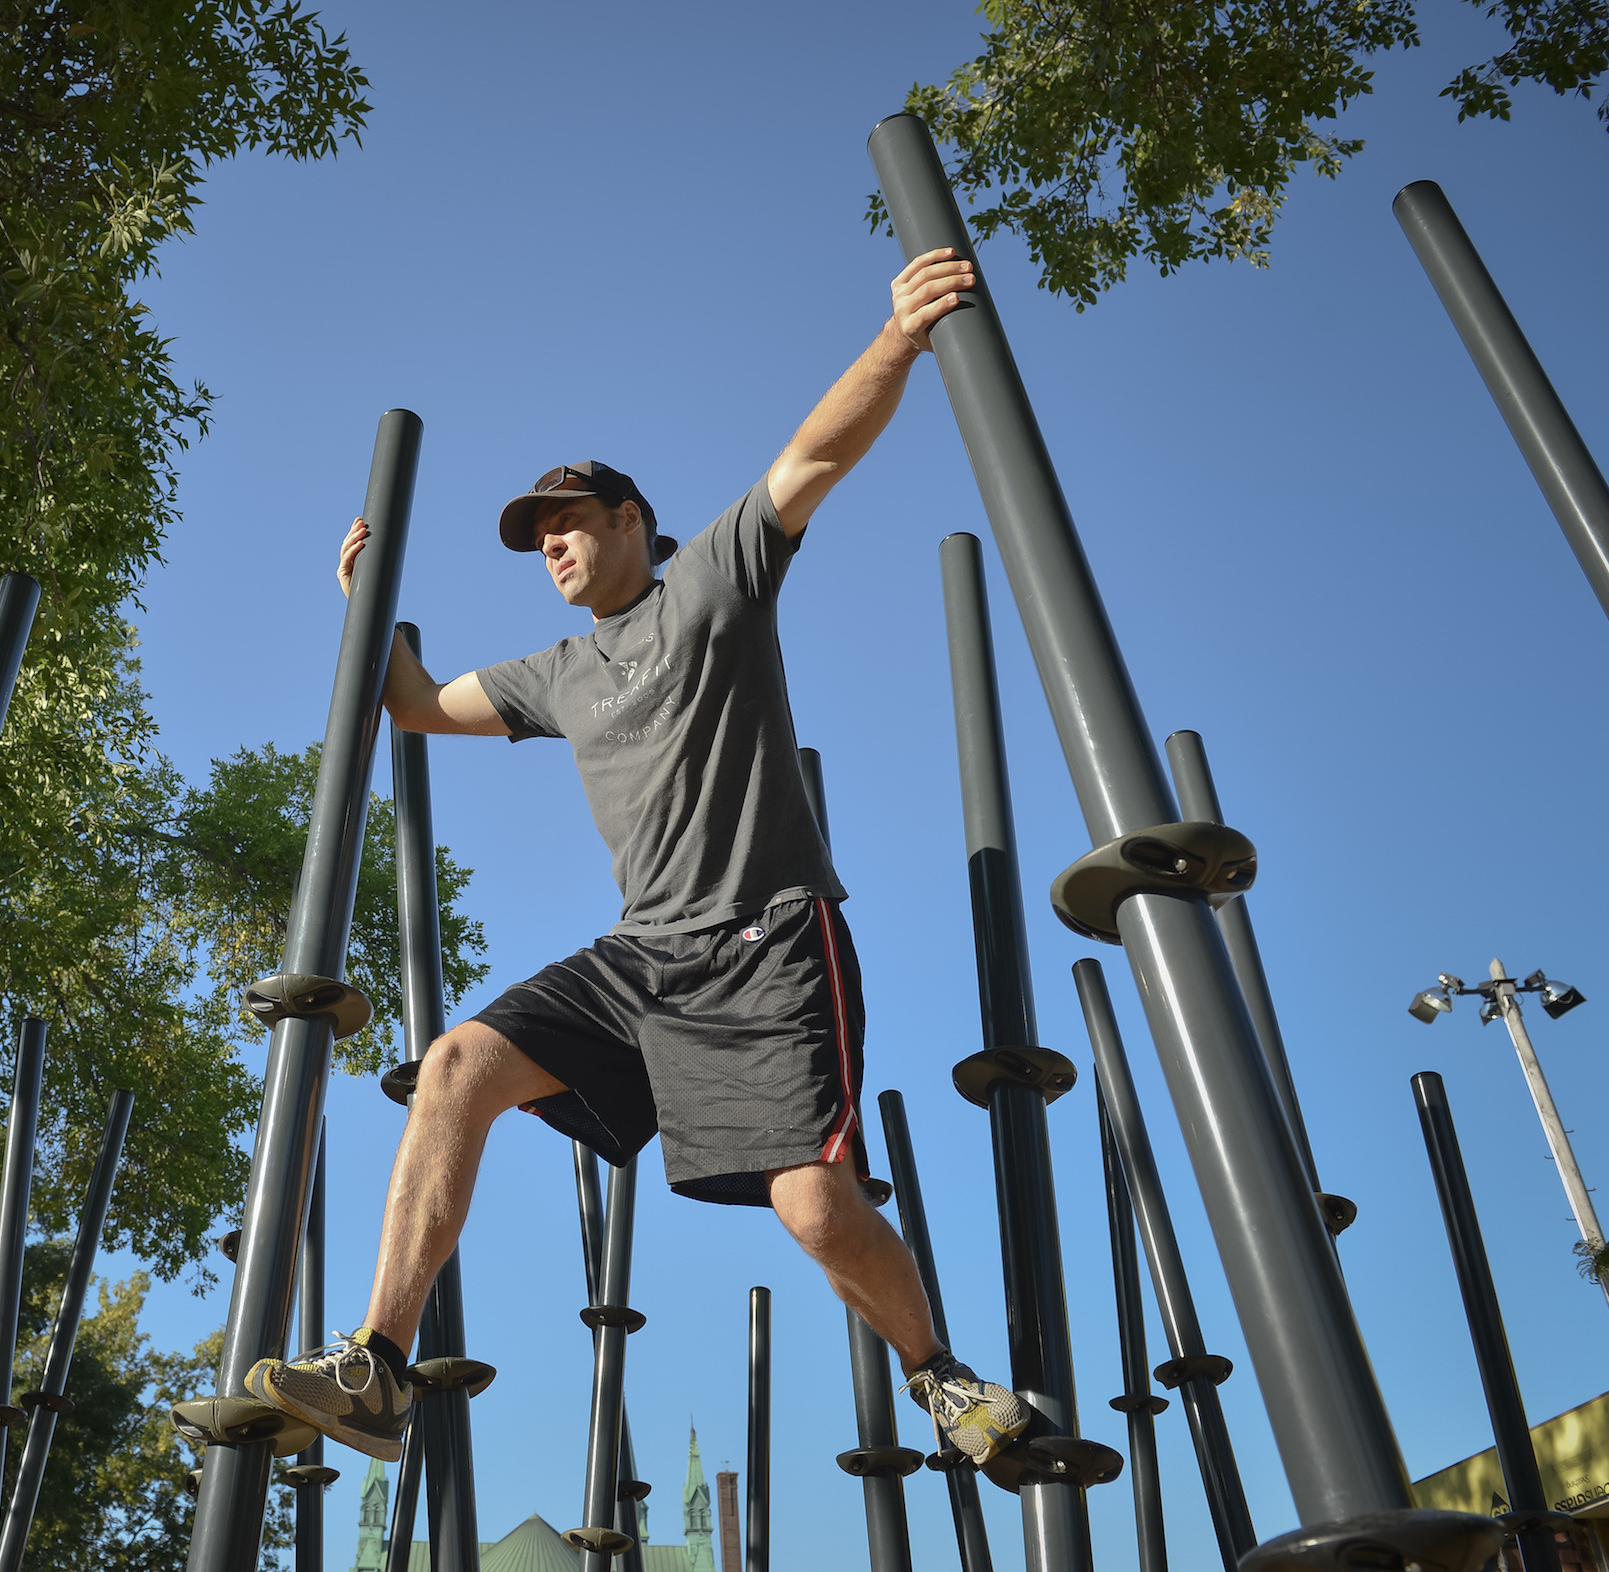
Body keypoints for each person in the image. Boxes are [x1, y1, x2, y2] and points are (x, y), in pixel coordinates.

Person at [246, 247, 1031, 1469]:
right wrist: (365, 605)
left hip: (765, 941)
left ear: (631, 523)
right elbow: (409, 705)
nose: (551, 545)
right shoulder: (553, 674)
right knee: (456, 1063)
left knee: (815, 1208)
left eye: (567, 522)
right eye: (537, 535)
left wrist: (902, 337)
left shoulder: (711, 584)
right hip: (638, 958)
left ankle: (943, 1378)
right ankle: (379, 1364)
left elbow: (812, 459)